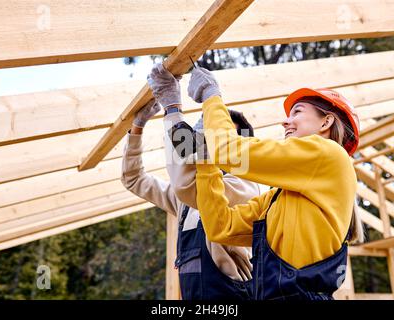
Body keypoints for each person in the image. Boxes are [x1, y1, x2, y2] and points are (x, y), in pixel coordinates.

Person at [151, 64, 364, 300]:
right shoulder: (278, 198)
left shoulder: (328, 154)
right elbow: (220, 227)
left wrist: (211, 96)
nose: (286, 121)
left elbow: (228, 149)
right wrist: (199, 151)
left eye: (297, 112)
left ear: (326, 123)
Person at [120, 91, 260, 299]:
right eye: (207, 133)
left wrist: (173, 111)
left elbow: (191, 182)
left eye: (219, 136)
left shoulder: (244, 186)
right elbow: (134, 179)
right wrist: (137, 128)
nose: (211, 139)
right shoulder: (184, 202)